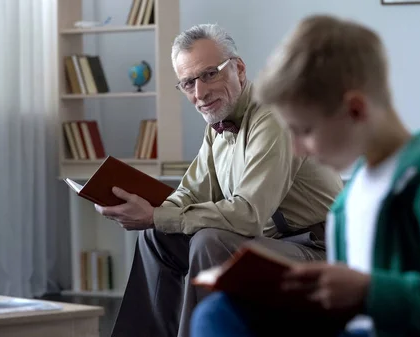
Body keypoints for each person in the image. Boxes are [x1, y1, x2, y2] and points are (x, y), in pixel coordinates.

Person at [190, 14, 420, 337]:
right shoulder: (353, 193)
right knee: (221, 313)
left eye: (305, 131)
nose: (298, 149)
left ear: (355, 110)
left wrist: (369, 291)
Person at [95, 23, 344, 337]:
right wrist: (144, 210)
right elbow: (189, 193)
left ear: (238, 69)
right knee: (156, 236)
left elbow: (249, 215)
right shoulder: (217, 122)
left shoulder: (273, 117)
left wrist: (158, 214)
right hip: (269, 244)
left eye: (210, 74)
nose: (200, 93)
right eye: (188, 83)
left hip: (317, 249)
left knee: (210, 240)